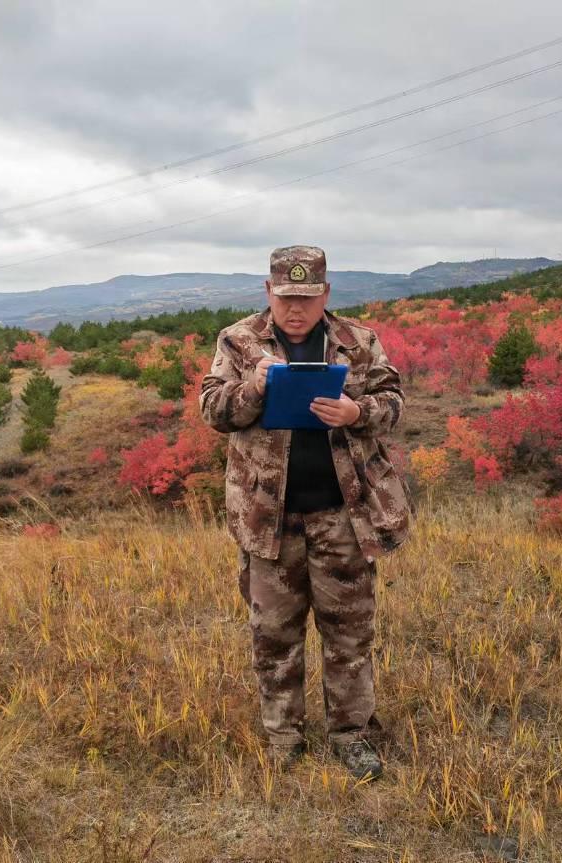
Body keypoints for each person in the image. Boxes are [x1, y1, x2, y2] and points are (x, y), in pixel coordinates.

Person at [198, 245, 412, 781]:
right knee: (274, 635)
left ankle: (351, 735)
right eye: (286, 296)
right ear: (268, 291)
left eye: (308, 297)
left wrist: (357, 411)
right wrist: (254, 387)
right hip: (268, 519)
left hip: (344, 515)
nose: (296, 308)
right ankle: (284, 739)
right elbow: (212, 410)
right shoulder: (238, 341)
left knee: (349, 634)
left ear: (326, 294)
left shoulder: (358, 341)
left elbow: (394, 402)